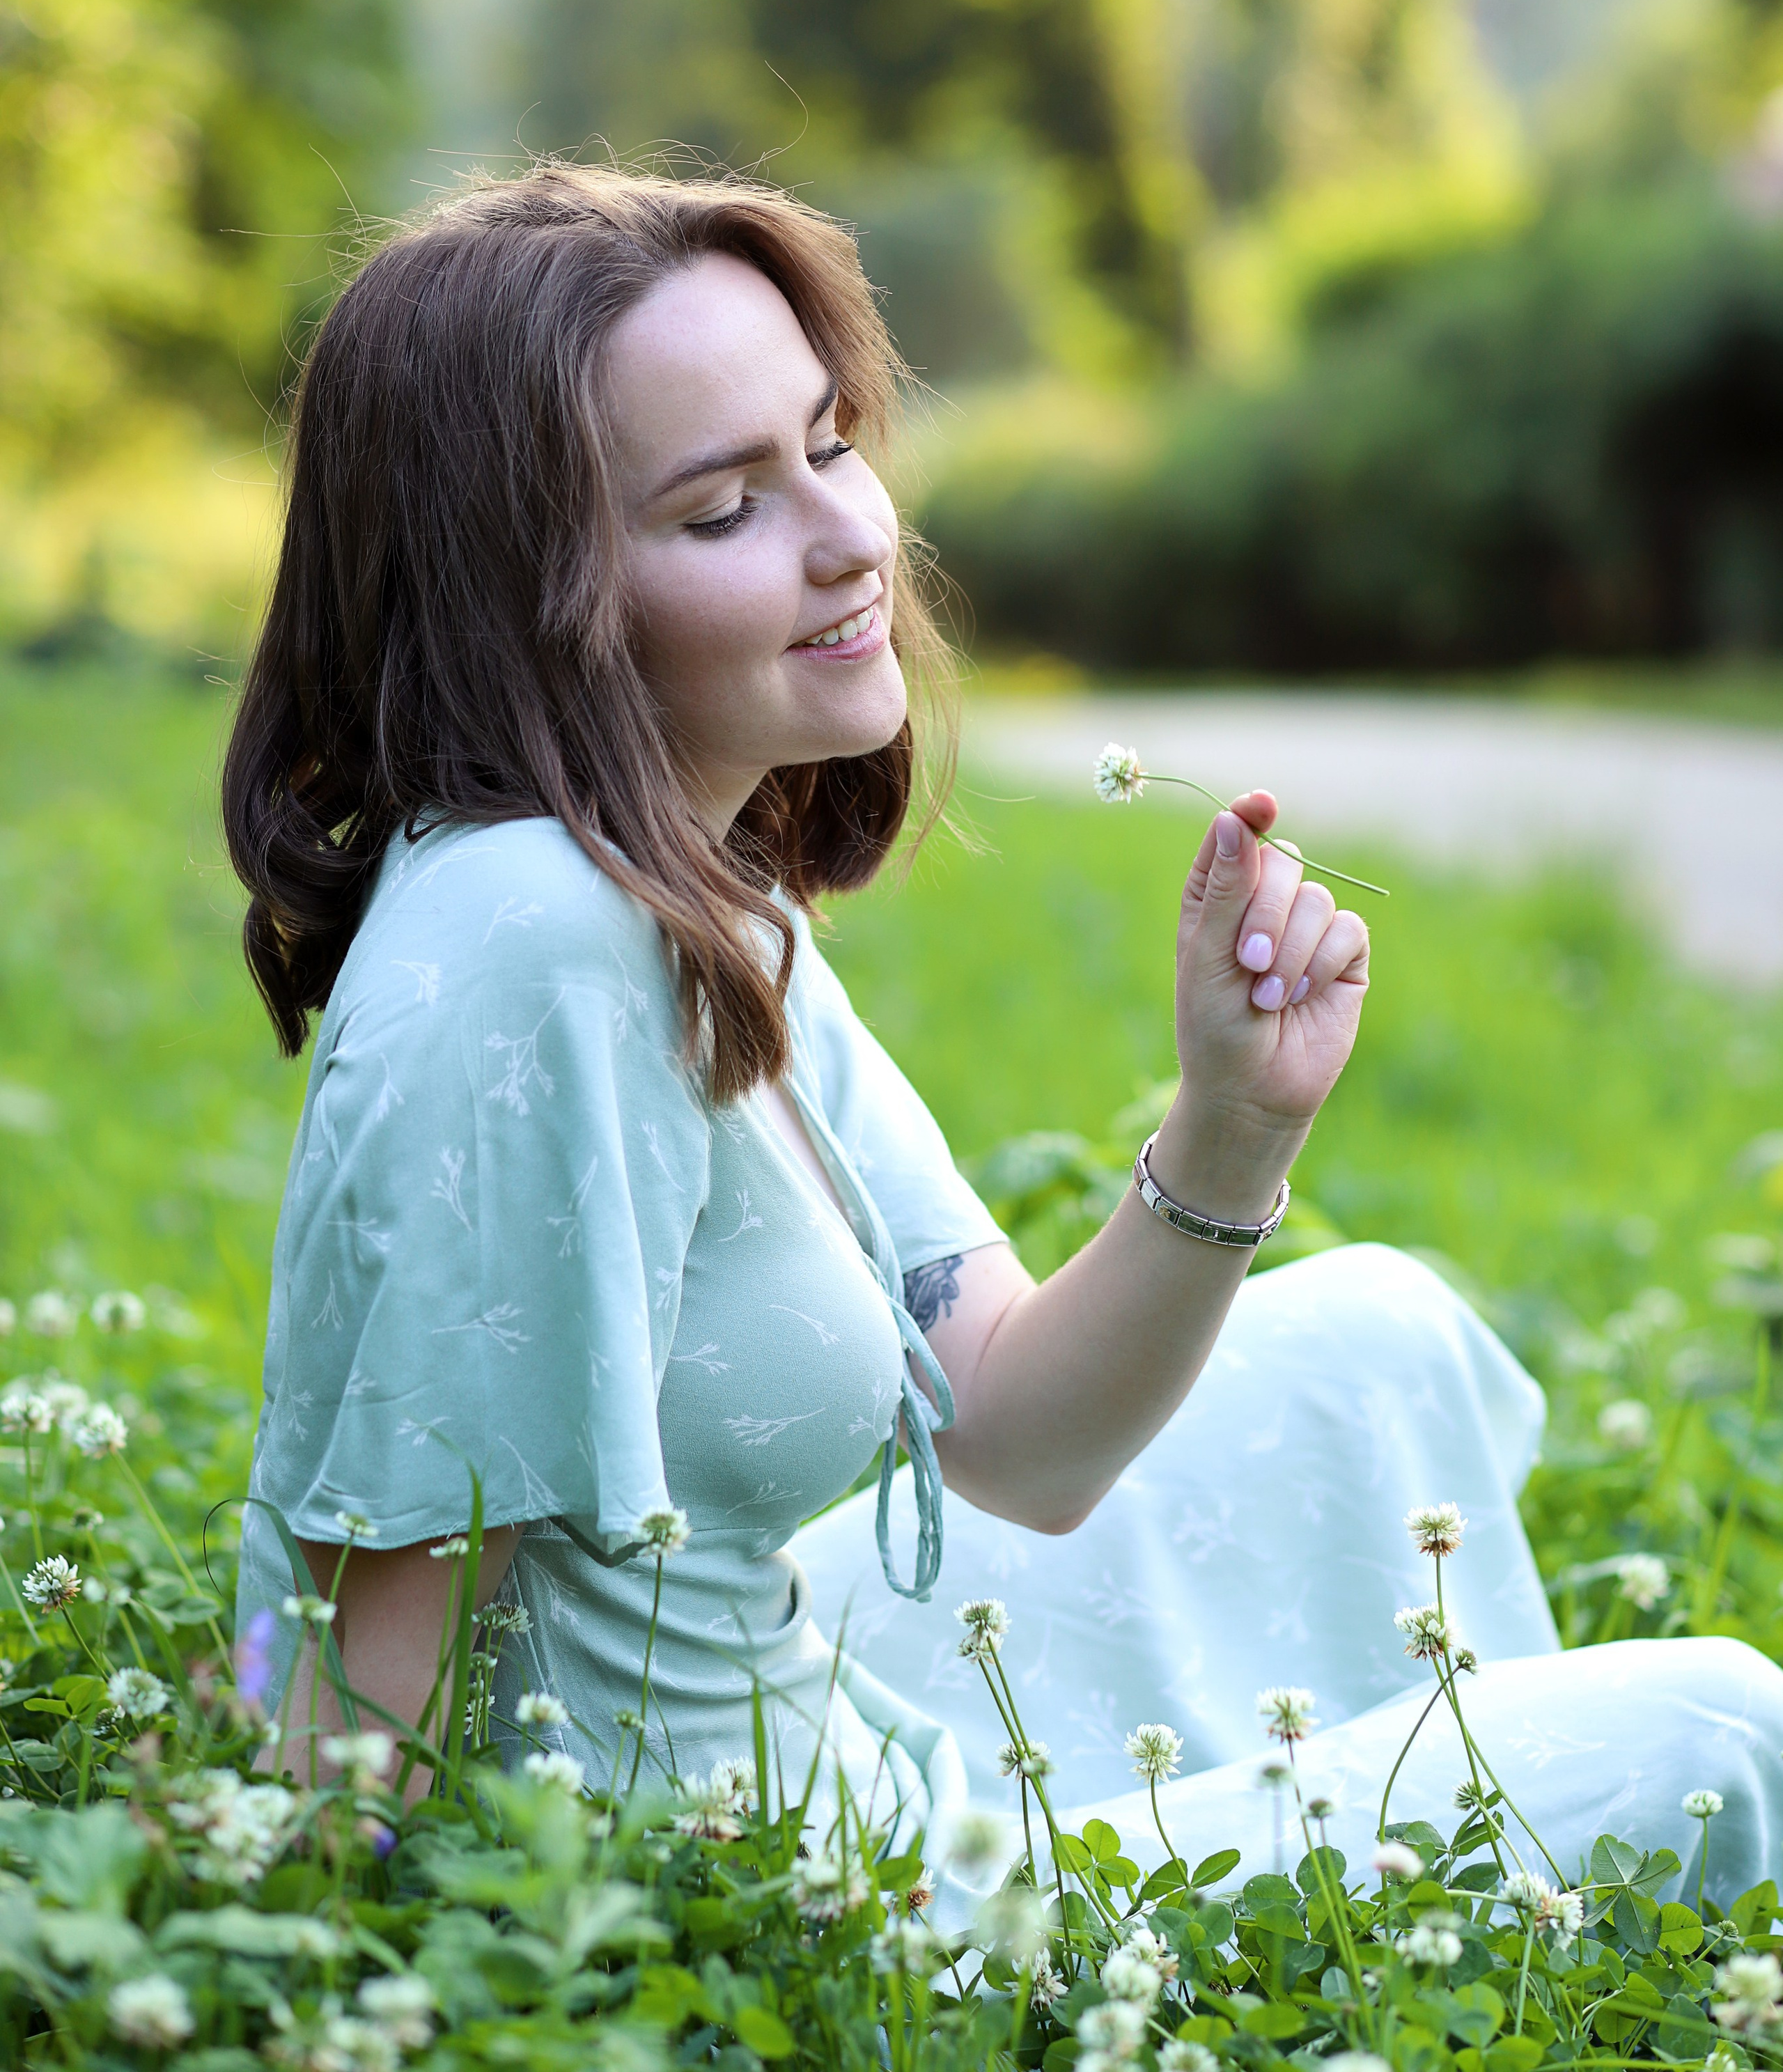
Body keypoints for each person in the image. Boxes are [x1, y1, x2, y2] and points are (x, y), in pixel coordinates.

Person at [225, 164, 1783, 1899]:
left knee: (1381, 1341)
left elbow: (1018, 1437)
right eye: (722, 509)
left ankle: (1456, 1912)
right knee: (1725, 1728)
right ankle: (1450, 1924)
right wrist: (316, 1955)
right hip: (797, 1907)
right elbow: (370, 1680)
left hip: (819, 1719)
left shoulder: (692, 901)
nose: (852, 536)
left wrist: (1233, 1124)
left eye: (827, 442)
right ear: (525, 600)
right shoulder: (536, 943)